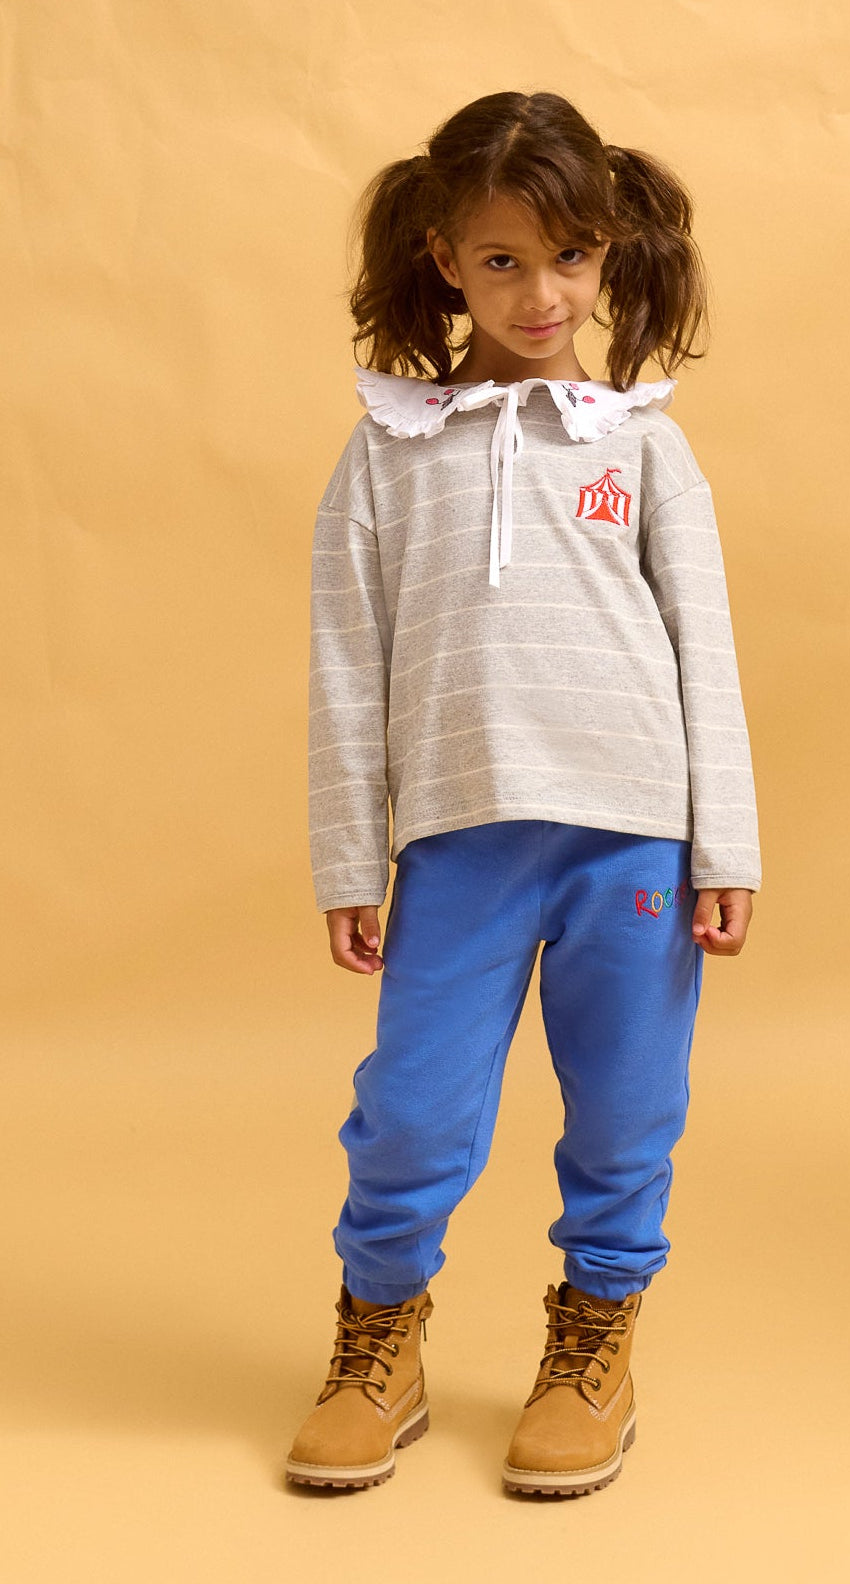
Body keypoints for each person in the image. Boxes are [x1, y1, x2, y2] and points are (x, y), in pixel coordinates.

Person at [285, 89, 762, 1498]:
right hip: (461, 842)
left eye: (570, 257)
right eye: (503, 259)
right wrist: (348, 859)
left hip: (634, 838)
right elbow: (345, 665)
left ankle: (595, 1342)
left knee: (624, 1107)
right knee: (414, 1111)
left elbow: (706, 652)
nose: (541, 293)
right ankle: (379, 1342)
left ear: (609, 256)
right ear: (445, 259)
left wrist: (724, 844)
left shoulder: (644, 445)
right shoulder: (388, 451)